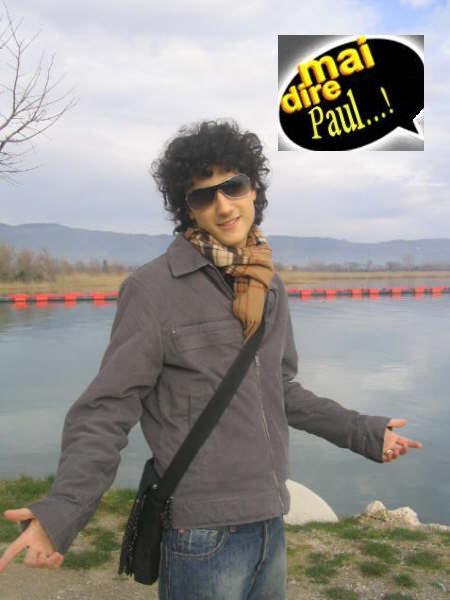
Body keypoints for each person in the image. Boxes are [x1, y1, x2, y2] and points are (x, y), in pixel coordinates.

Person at [0, 119, 423, 599]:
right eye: (203, 195)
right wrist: (62, 509)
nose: (222, 205)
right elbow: (107, 408)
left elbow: (280, 389)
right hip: (201, 535)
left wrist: (364, 431)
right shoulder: (152, 290)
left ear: (253, 190)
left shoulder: (268, 286)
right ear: (188, 208)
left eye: (233, 186)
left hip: (270, 519)